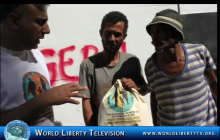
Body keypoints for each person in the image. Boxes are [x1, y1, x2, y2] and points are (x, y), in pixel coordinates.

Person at [0, 4, 87, 126]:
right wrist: (44, 99)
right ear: (14, 21)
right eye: (41, 22)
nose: (47, 29)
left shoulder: (36, 54)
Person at [144, 9, 217, 126]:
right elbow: (155, 96)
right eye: (152, 32)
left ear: (176, 32)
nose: (154, 37)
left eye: (160, 31)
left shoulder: (199, 52)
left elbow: (213, 83)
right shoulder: (151, 66)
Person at [79, 11, 150, 126]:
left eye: (117, 34)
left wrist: (135, 87)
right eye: (108, 33)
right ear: (101, 33)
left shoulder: (131, 62)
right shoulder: (88, 65)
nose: (112, 39)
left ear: (124, 36)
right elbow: (86, 101)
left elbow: (144, 89)